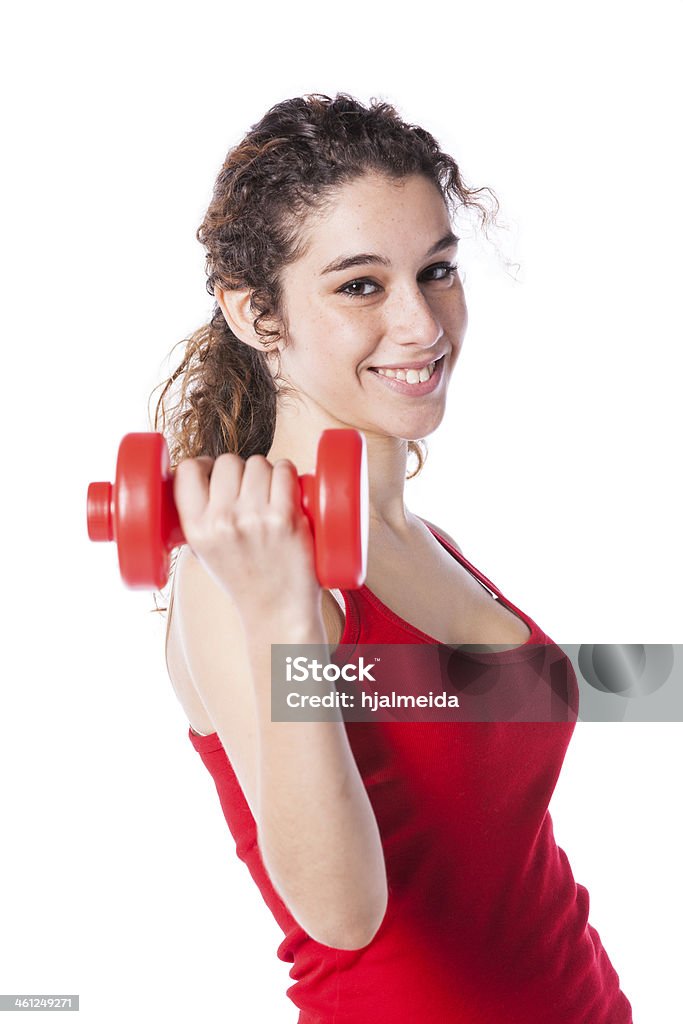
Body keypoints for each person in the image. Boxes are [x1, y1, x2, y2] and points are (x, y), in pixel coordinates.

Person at [150, 92, 633, 1023]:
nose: (422, 325)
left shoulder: (417, 539)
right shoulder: (233, 579)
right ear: (257, 313)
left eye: (437, 270)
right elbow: (340, 914)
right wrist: (283, 616)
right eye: (360, 285)